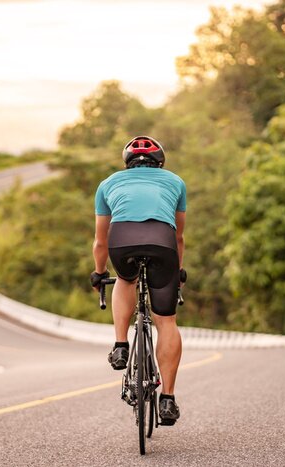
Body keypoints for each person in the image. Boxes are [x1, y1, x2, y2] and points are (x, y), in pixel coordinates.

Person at [90, 135, 186, 425]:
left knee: (125, 279)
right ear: (160, 162)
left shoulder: (107, 184)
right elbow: (179, 236)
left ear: (126, 162)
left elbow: (100, 241)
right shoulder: (176, 182)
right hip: (163, 242)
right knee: (166, 320)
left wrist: (98, 272)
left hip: (122, 241)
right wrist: (176, 273)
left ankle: (121, 345)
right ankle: (167, 400)